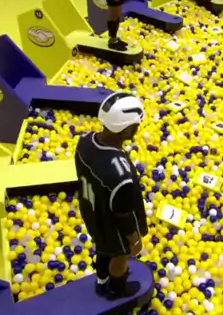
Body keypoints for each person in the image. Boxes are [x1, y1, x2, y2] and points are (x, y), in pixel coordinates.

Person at [74, 92, 148, 300]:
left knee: (103, 248)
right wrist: (134, 239)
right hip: (111, 223)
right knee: (119, 255)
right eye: (135, 125)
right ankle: (116, 290)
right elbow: (123, 214)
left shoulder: (84, 142)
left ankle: (102, 281)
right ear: (126, 129)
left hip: (91, 210)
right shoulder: (119, 174)